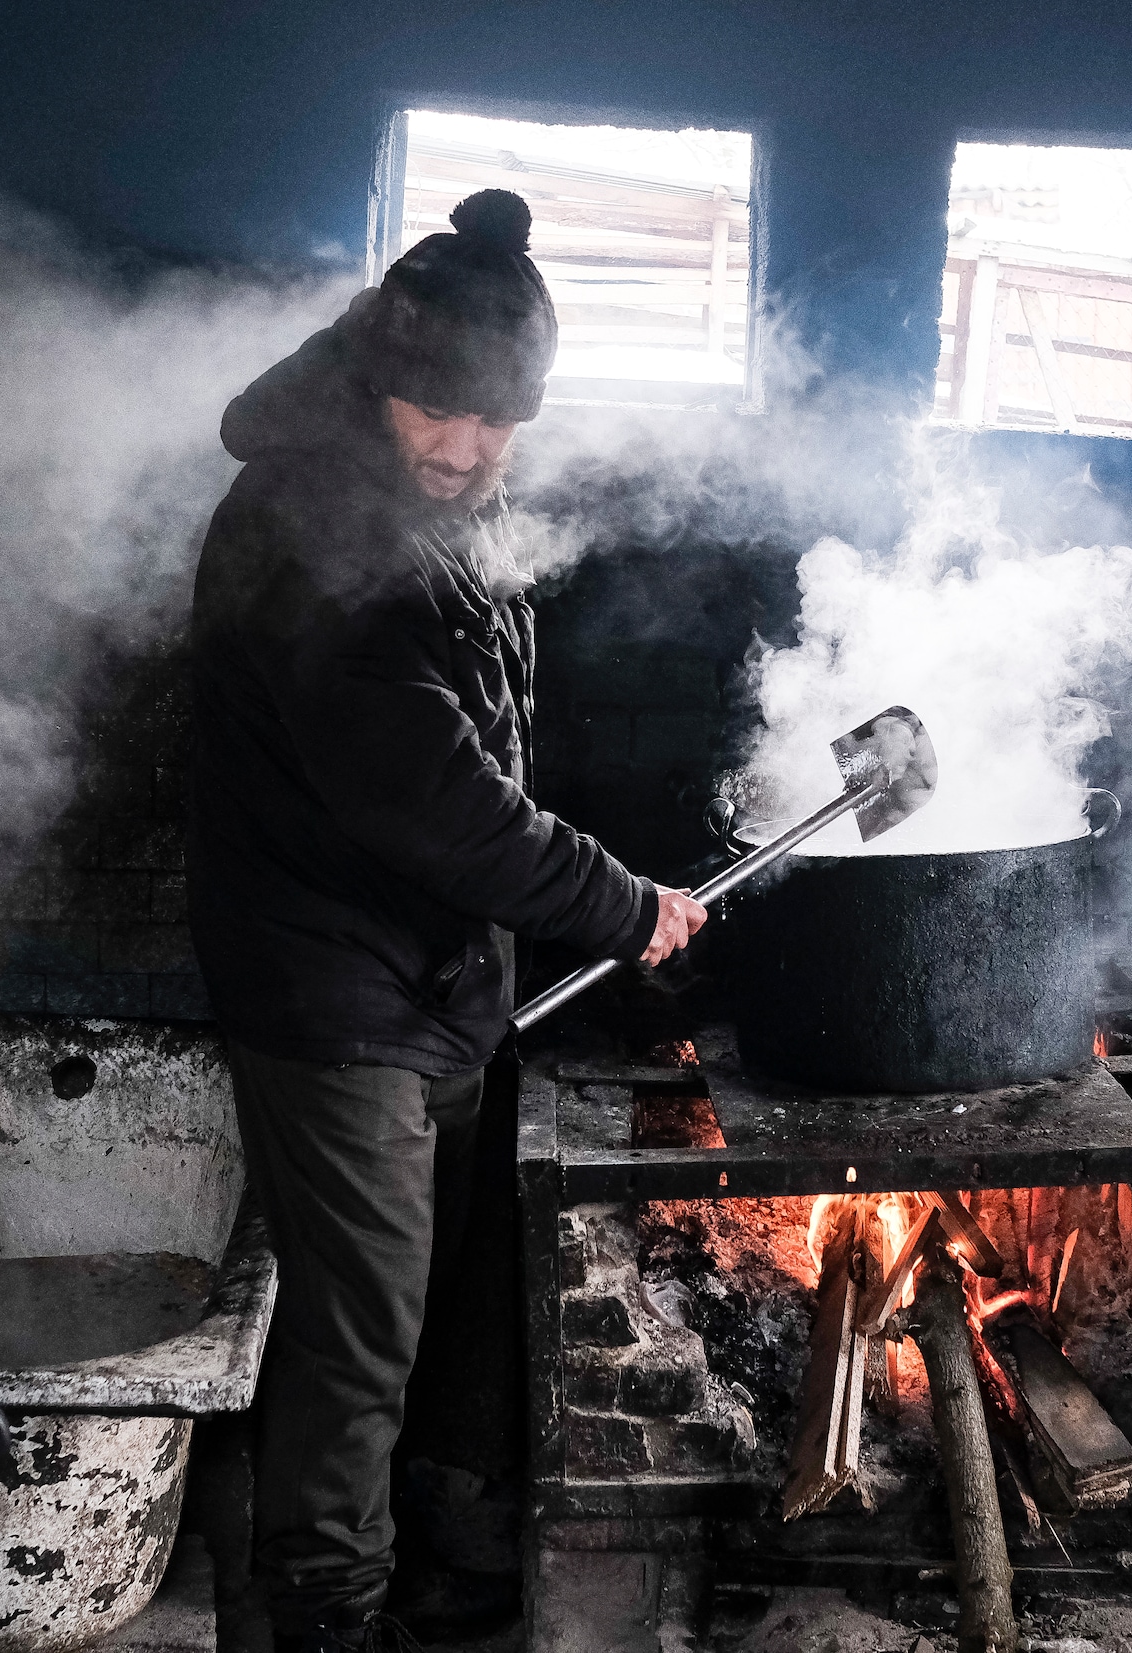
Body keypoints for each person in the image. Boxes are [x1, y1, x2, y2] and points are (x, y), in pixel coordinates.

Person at [186, 189, 707, 1652]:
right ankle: (323, 1620)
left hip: (426, 981)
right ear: (376, 379)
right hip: (333, 996)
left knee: (411, 1320)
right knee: (357, 1344)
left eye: (499, 424)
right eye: (441, 413)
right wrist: (619, 905)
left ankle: (423, 1572)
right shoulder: (314, 535)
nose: (471, 451)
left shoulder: (429, 499)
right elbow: (435, 799)